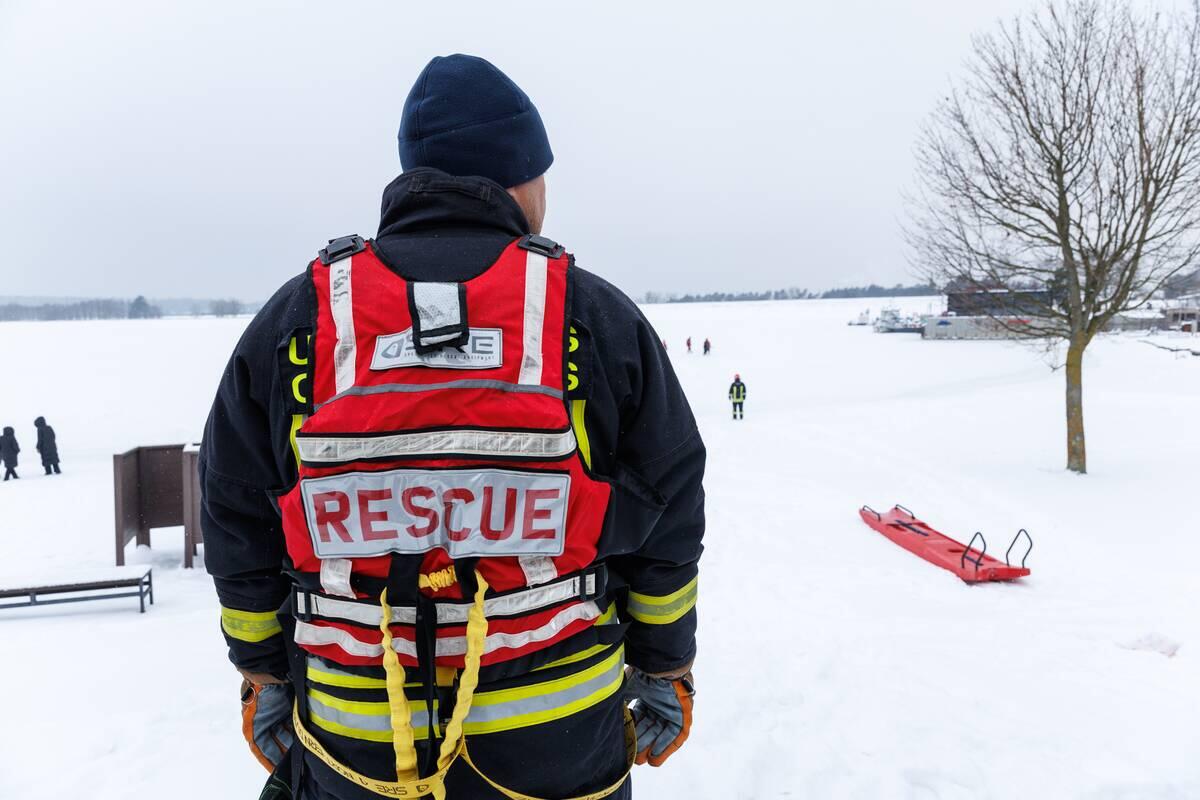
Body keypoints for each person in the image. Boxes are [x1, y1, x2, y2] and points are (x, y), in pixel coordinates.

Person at [201, 54, 706, 800]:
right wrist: (665, 664)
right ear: (517, 176)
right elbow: (669, 504)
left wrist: (263, 673)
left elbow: (235, 513)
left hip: (357, 748)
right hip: (559, 743)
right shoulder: (594, 318)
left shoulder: (298, 323)